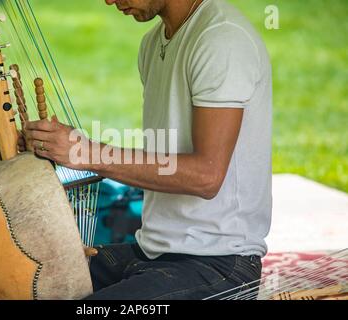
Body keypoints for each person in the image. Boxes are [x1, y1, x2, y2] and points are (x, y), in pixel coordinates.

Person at [22, 0, 272, 300]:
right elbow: (165, 158)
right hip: (150, 251)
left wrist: (88, 153)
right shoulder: (153, 43)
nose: (109, 1)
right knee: (20, 279)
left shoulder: (222, 39)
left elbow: (206, 176)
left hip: (219, 266)